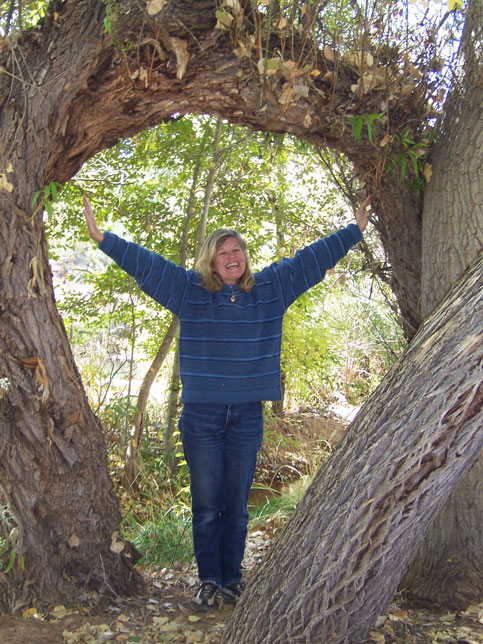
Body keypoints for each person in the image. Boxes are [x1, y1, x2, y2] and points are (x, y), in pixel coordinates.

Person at [83, 194, 373, 612]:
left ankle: (232, 580)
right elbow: (148, 265)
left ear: (245, 258)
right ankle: (207, 581)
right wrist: (102, 238)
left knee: (236, 507)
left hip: (247, 417)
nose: (231, 256)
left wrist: (354, 231)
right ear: (211, 262)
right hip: (201, 417)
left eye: (237, 250)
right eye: (223, 252)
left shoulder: (271, 289)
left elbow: (310, 260)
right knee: (205, 507)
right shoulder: (190, 292)